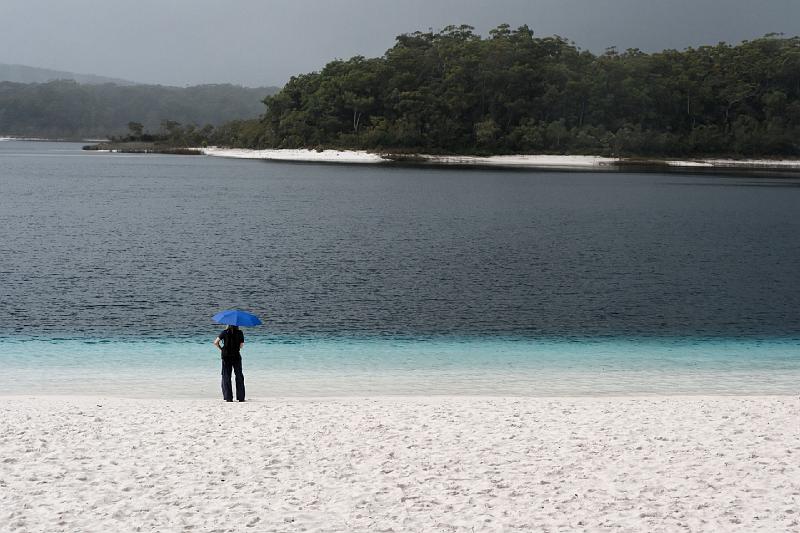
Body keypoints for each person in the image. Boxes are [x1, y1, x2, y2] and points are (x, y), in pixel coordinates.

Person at [213, 324, 246, 402]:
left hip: (226, 356)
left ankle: (228, 398)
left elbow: (215, 342)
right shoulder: (240, 333)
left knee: (226, 376)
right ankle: (241, 397)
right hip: (236, 356)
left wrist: (221, 349)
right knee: (239, 375)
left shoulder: (224, 332)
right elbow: (241, 346)